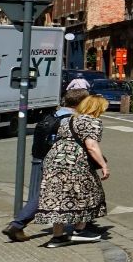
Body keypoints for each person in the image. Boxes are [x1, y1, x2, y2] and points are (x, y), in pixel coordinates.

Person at [2, 80, 88, 242]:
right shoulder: (70, 120)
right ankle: (18, 225)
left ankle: (19, 225)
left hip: (39, 157)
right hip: (57, 163)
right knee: (46, 196)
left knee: (46, 194)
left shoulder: (53, 114)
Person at [37, 92, 111, 247]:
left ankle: (57, 237)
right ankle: (80, 230)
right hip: (75, 163)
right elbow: (91, 146)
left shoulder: (69, 119)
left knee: (58, 197)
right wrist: (103, 165)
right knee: (89, 192)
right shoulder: (93, 121)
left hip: (54, 159)